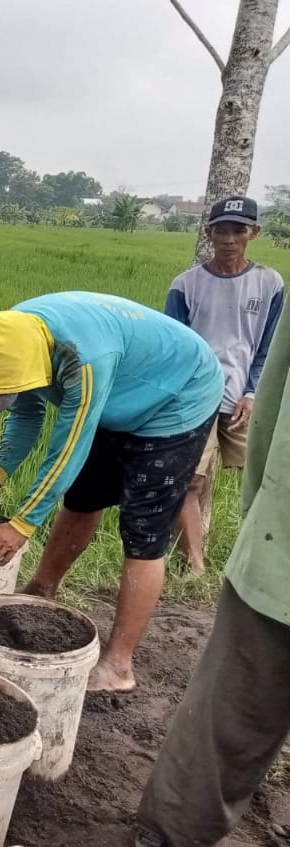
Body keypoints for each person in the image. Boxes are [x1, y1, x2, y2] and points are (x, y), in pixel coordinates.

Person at [0, 292, 223, 692]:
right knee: (82, 497)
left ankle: (118, 667)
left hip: (177, 397)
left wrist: (22, 524)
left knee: (142, 531)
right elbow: (27, 411)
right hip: (120, 391)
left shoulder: (82, 359)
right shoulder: (10, 336)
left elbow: (68, 449)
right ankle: (42, 590)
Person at [133, 313, 290, 847]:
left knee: (236, 697)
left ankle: (171, 826)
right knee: (238, 696)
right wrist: (262, 514)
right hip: (283, 555)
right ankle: (175, 824)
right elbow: (272, 398)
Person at [166, 195, 283, 575]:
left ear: (253, 232)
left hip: (245, 398)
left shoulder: (269, 284)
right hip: (198, 398)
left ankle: (256, 562)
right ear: (209, 232)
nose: (229, 239)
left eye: (238, 230)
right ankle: (196, 565)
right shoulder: (186, 285)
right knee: (192, 482)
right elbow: (176, 348)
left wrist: (252, 393)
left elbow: (268, 345)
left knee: (268, 478)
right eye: (221, 230)